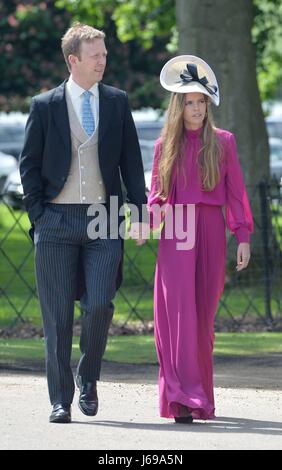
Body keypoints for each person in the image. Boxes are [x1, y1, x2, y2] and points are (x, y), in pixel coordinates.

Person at [19, 23, 148, 423]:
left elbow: (130, 159)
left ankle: (87, 377)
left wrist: (139, 209)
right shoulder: (44, 105)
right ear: (73, 60)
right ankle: (60, 399)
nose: (102, 61)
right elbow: (29, 165)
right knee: (56, 316)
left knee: (99, 305)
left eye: (104, 54)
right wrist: (40, 215)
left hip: (104, 218)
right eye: (95, 55)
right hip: (56, 220)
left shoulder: (116, 101)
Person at [148, 55, 254, 424]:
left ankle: (200, 397)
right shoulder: (166, 146)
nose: (196, 109)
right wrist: (152, 216)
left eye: (201, 102)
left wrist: (242, 235)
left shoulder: (224, 142)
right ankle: (180, 399)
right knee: (177, 316)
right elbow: (157, 194)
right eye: (189, 102)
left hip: (211, 231)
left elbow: (237, 192)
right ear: (179, 107)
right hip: (176, 233)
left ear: (208, 104)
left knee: (202, 319)